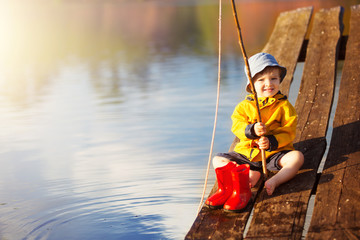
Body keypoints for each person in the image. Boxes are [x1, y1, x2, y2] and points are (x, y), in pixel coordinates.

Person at [205, 52, 304, 212]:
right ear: (251, 85)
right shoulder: (244, 106)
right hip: (247, 154)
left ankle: (275, 181)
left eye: (273, 79)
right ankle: (237, 182)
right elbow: (237, 125)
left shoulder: (284, 106)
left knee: (297, 157)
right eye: (261, 80)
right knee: (217, 160)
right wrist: (251, 130)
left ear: (279, 79)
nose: (269, 84)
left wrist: (271, 141)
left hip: (273, 153)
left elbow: (289, 131)